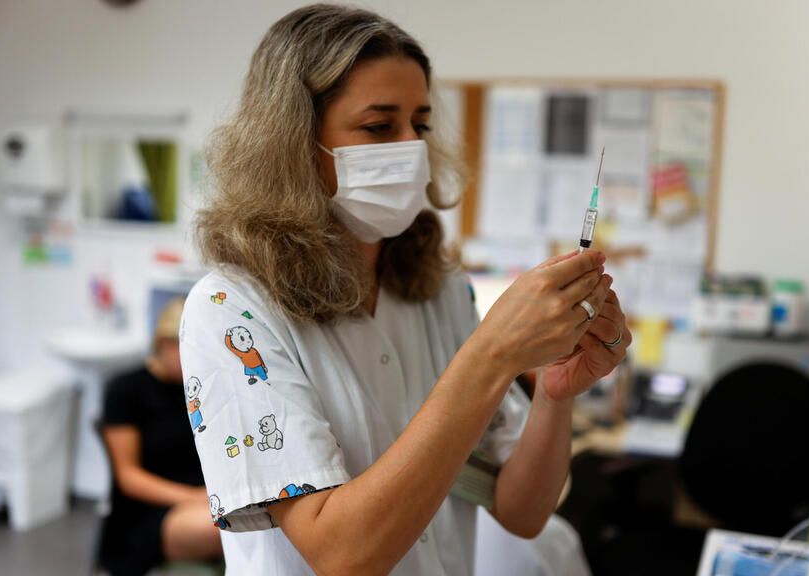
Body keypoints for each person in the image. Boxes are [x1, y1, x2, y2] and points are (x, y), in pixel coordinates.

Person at [180, 4, 631, 575]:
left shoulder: (436, 290)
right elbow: (344, 556)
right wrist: (492, 356)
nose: (410, 147)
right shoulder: (231, 310)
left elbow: (523, 513)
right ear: (292, 142)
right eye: (378, 126)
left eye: (419, 124)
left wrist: (556, 392)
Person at [99, 297, 223, 576]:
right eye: (192, 353)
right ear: (166, 345)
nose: (199, 364)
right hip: (148, 511)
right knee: (224, 525)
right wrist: (193, 497)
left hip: (202, 498)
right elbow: (128, 477)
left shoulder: (198, 388)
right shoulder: (126, 390)